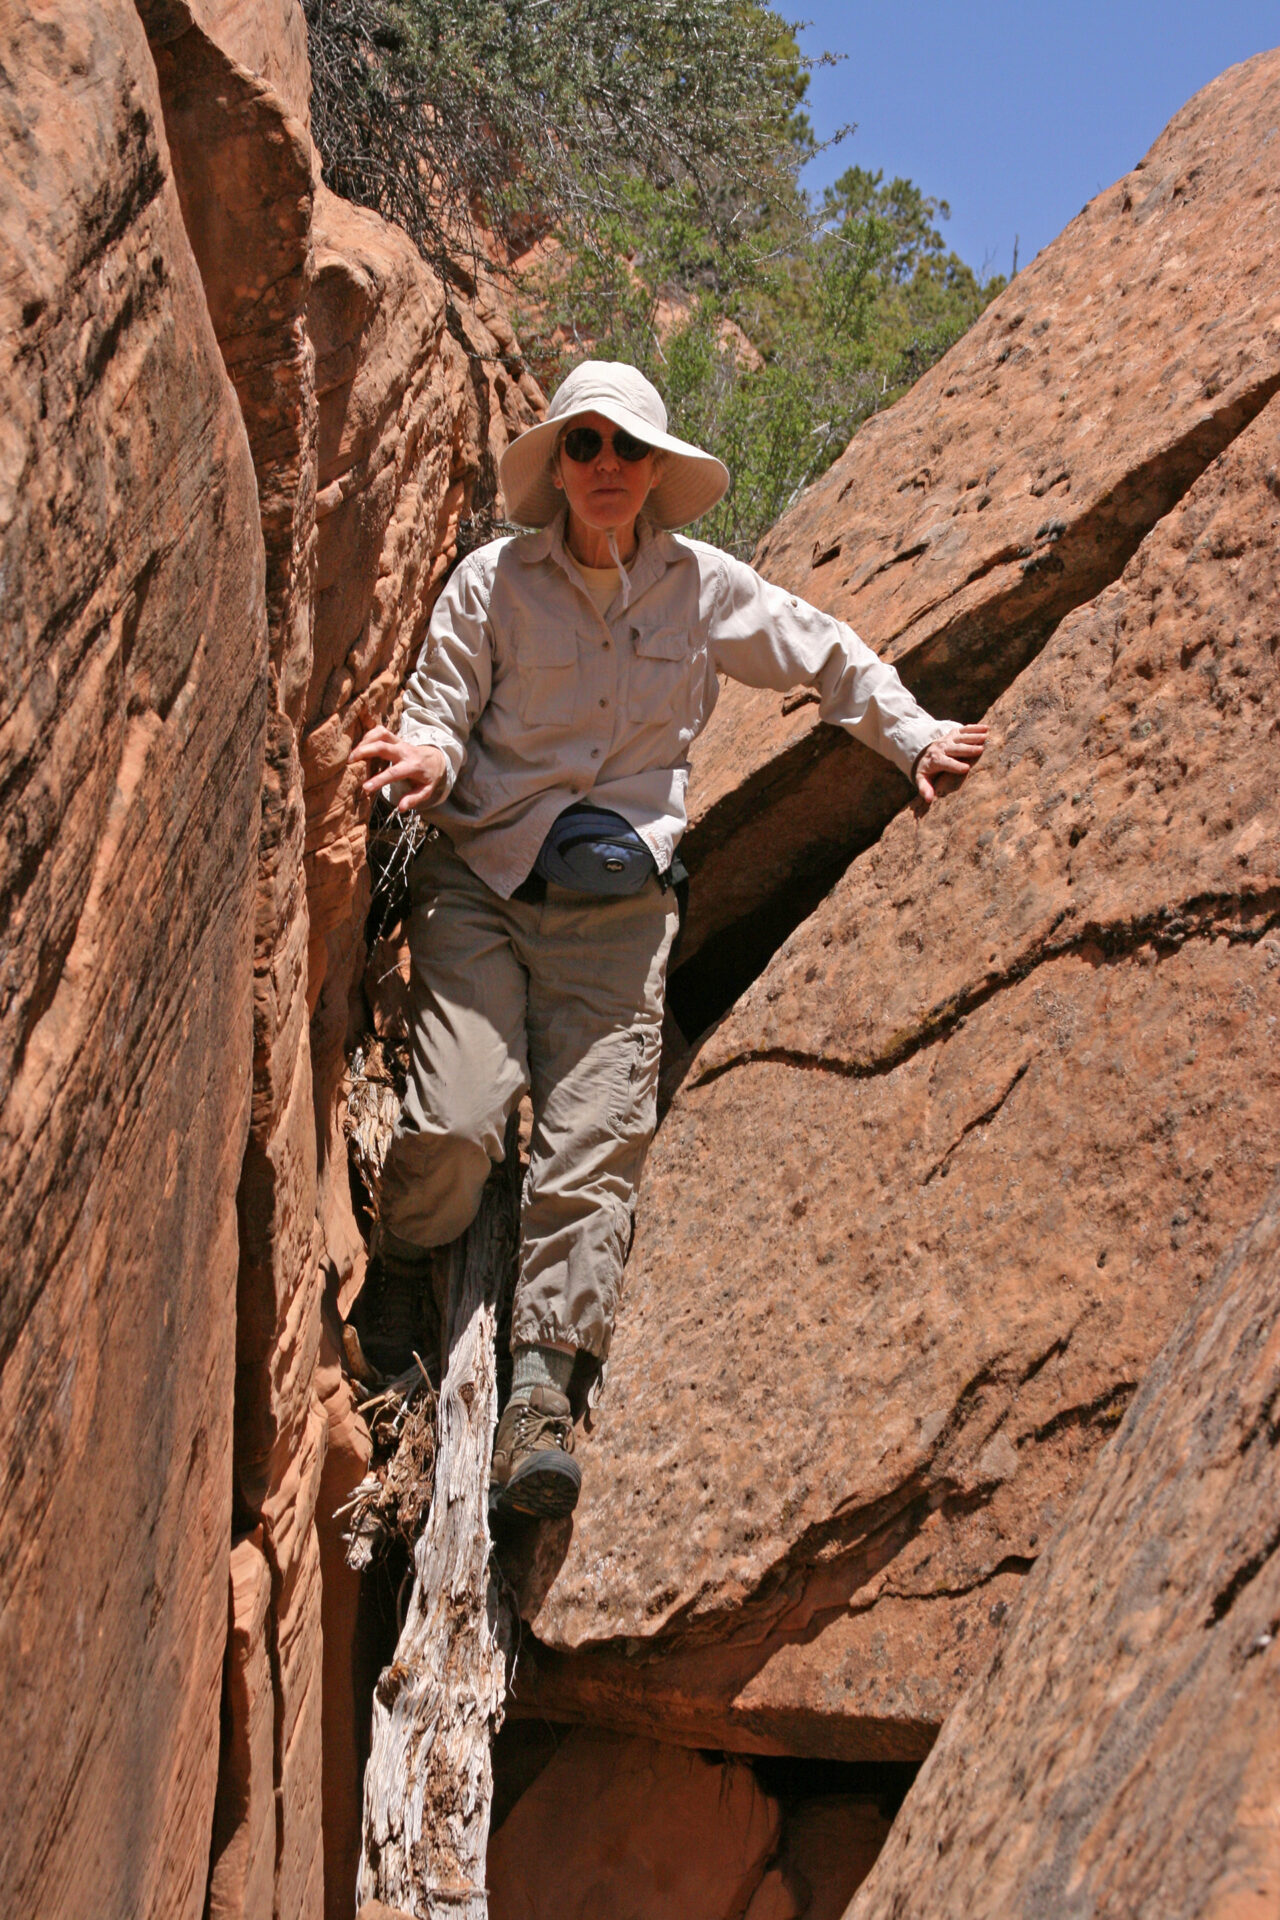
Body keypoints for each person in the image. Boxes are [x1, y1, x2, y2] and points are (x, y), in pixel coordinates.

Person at [349, 360, 987, 1520]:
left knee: (592, 1152)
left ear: (654, 472)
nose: (605, 465)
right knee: (458, 1124)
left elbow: (823, 652)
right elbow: (438, 712)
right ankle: (402, 1258)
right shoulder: (493, 584)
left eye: (627, 448)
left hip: (618, 917)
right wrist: (426, 761)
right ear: (556, 465)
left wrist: (914, 738)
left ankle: (539, 1401)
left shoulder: (699, 588)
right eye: (584, 444)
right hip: (483, 884)